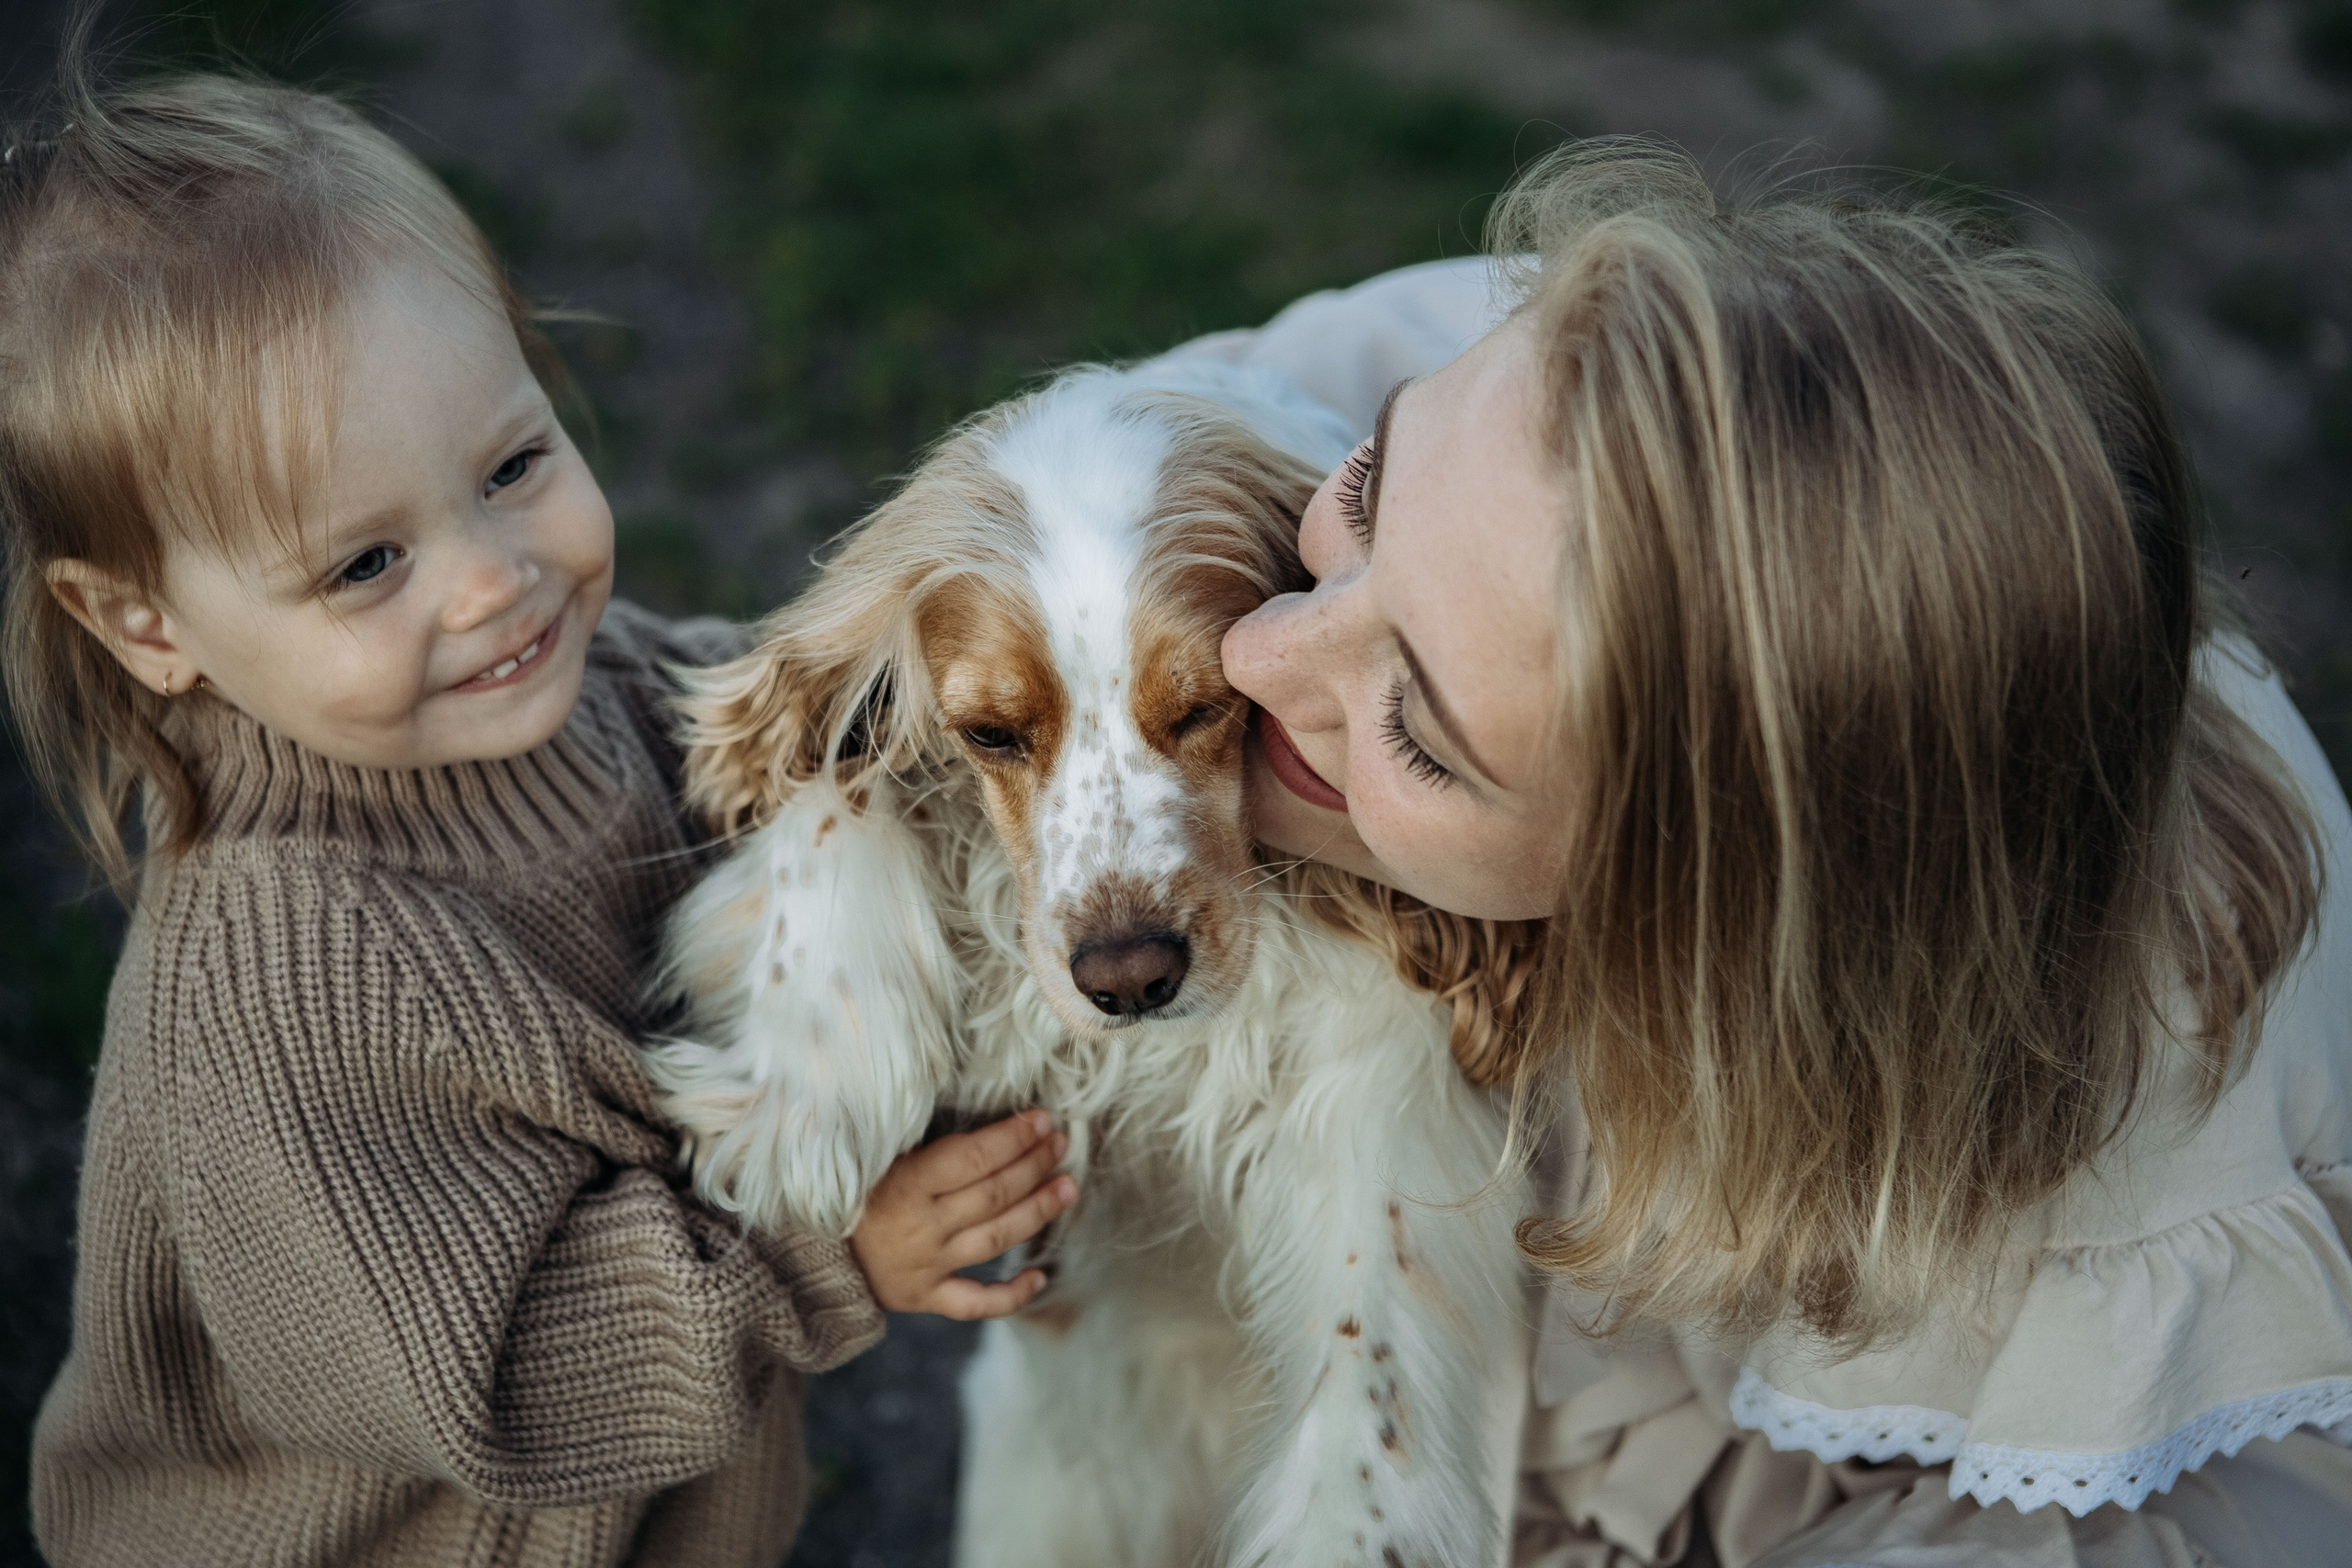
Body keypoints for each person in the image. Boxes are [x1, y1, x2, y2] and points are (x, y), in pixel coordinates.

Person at [1213, 145, 2352, 1564]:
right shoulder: (1516, 393)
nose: (1252, 650)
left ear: (1698, 914)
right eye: (1370, 487)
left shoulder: (2150, 1149)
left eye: (1419, 732)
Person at [2, 68, 1073, 1568]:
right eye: (366, 565)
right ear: (144, 624)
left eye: (511, 467)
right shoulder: (282, 979)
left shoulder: (613, 681)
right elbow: (497, 1373)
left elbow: (789, 755)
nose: (493, 579)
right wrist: (823, 1252)